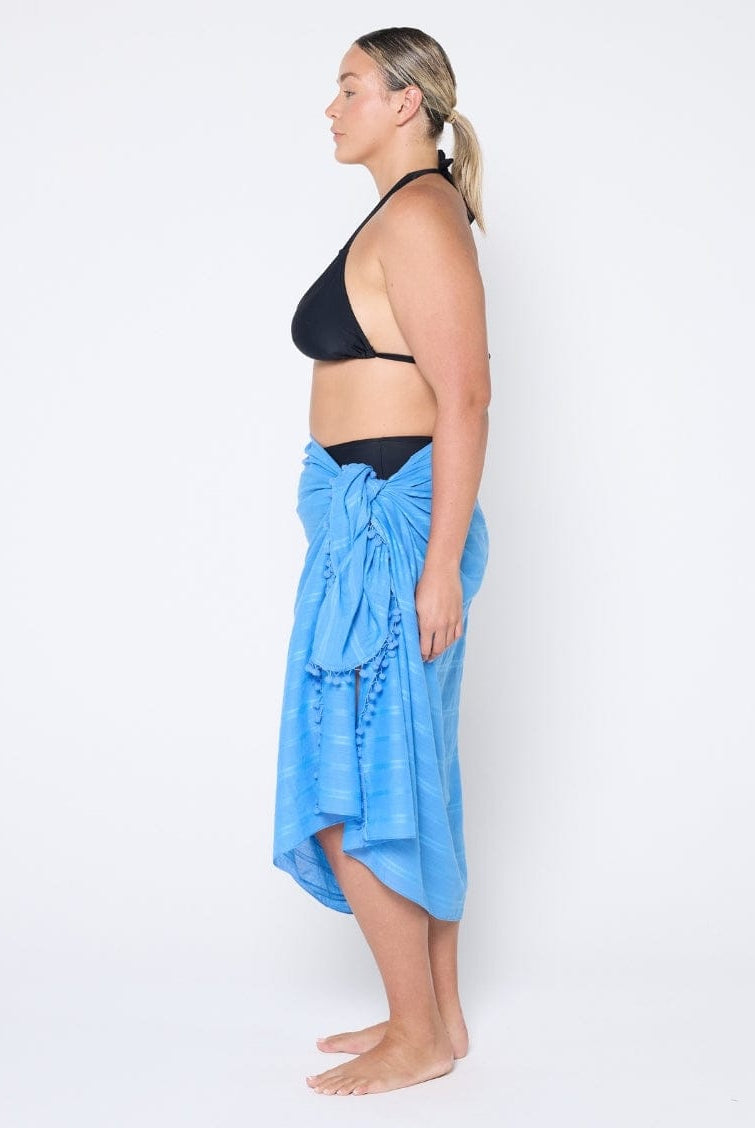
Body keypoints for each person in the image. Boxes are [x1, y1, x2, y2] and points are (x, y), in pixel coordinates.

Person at [272, 26, 491, 1096]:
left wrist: (438, 564)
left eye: (350, 87)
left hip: (392, 538)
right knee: (404, 770)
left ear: (406, 102)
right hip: (370, 533)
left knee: (352, 782)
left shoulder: (416, 216)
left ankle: (416, 1033)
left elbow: (466, 396)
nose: (332, 106)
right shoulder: (407, 210)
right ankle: (435, 1020)